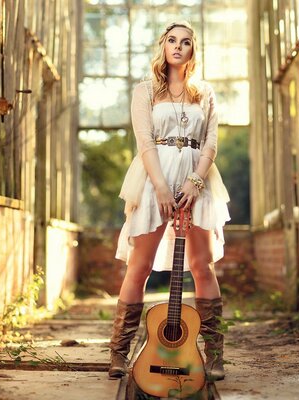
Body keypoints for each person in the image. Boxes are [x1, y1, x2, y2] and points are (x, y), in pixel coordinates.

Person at [108, 21, 231, 382]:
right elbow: (145, 142)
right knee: (139, 267)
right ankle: (118, 353)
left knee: (201, 265)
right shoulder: (145, 90)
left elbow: (211, 142)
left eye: (186, 42)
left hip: (198, 180)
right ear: (163, 46)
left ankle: (214, 356)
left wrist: (194, 182)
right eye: (172, 41)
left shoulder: (204, 92)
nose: (178, 47)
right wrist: (162, 187)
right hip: (153, 180)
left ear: (194, 50)